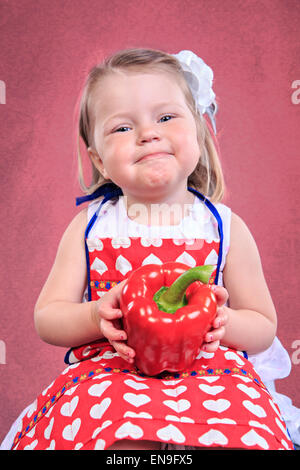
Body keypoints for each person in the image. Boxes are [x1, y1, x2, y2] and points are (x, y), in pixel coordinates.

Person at [1, 48, 296, 450]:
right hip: (112, 373)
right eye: (122, 128)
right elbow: (47, 318)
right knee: (117, 436)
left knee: (232, 436)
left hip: (211, 373)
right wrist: (94, 314)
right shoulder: (90, 227)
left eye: (166, 117)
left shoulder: (225, 228)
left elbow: (263, 327)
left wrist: (221, 320)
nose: (147, 133)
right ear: (100, 160)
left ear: (198, 131)